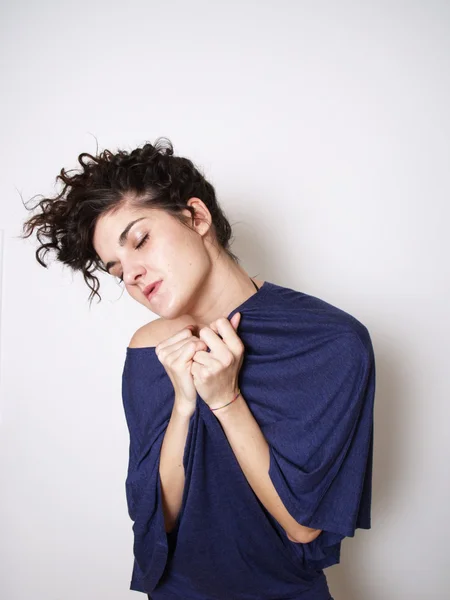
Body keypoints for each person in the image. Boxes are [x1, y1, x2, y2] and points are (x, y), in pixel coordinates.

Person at [21, 137, 376, 600]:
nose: (131, 274)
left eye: (140, 240)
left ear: (197, 217)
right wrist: (184, 407)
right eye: (116, 268)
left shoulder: (329, 342)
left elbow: (303, 526)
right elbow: (158, 518)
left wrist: (225, 400)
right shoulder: (151, 349)